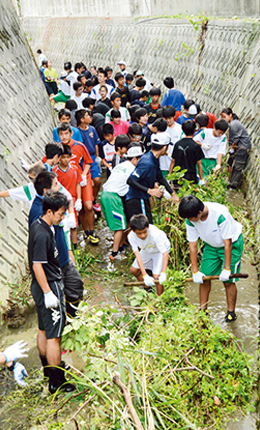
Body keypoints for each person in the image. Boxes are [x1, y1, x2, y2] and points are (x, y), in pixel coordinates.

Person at [28, 190, 76, 394]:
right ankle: (57, 381)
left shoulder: (41, 225)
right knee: (54, 336)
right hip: (48, 285)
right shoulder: (41, 233)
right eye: (60, 213)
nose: (62, 216)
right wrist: (49, 293)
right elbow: (37, 265)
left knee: (43, 329)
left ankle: (49, 370)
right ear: (49, 211)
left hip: (42, 285)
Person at [178, 195, 244, 322]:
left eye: (192, 218)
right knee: (204, 277)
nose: (190, 220)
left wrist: (226, 269)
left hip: (232, 244)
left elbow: (227, 244)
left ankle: (231, 312)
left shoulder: (220, 215)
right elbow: (193, 245)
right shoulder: (190, 219)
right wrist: (195, 271)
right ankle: (203, 310)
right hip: (211, 245)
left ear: (199, 212)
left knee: (228, 280)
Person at [29, 171, 83, 317]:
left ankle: (73, 318)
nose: (58, 187)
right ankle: (67, 320)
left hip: (63, 258)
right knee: (58, 299)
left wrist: (69, 251)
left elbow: (60, 231)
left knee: (76, 287)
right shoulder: (38, 213)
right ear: (46, 191)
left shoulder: (55, 207)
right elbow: (39, 247)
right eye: (55, 184)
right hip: (54, 264)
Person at [57, 122, 99, 244]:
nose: (64, 137)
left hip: (82, 179)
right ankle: (86, 232)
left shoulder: (79, 146)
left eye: (66, 133)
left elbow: (88, 161)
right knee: (77, 208)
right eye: (61, 134)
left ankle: (92, 231)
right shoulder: (58, 148)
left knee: (88, 206)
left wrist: (84, 174)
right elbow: (48, 161)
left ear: (71, 133)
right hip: (69, 181)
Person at [101, 145, 143, 260]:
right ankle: (115, 253)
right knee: (120, 226)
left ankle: (119, 246)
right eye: (139, 159)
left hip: (105, 194)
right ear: (134, 159)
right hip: (113, 197)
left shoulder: (120, 166)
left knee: (121, 223)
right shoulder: (132, 169)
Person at [125, 133, 179, 224]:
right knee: (146, 227)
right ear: (164, 147)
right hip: (137, 199)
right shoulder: (147, 163)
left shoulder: (154, 158)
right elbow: (130, 180)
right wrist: (149, 191)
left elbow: (160, 177)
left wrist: (172, 193)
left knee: (147, 226)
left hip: (142, 198)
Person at [128, 214, 170, 296]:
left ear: (148, 228)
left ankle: (160, 298)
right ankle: (148, 287)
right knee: (133, 270)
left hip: (159, 251)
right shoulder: (131, 236)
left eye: (144, 232)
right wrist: (145, 275)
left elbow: (165, 254)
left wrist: (163, 273)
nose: (143, 235)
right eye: (139, 233)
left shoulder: (155, 234)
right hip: (146, 249)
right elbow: (137, 255)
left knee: (156, 276)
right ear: (133, 231)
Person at [53, 145, 82, 249]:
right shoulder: (54, 171)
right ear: (59, 157)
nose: (66, 160)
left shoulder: (75, 169)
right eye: (63, 157)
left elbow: (78, 184)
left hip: (72, 200)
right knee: (62, 223)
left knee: (73, 224)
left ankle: (75, 247)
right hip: (60, 200)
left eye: (68, 157)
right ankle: (65, 246)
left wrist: (79, 199)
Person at [76, 109, 101, 213]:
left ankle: (93, 199)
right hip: (83, 160)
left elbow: (95, 143)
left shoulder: (92, 129)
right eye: (87, 116)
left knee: (97, 181)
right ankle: (85, 200)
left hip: (92, 158)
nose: (90, 117)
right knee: (85, 182)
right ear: (82, 119)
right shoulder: (77, 132)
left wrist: (97, 157)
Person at [220, 107, 251, 189]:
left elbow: (235, 139)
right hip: (240, 147)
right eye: (222, 117)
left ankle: (233, 185)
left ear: (230, 115)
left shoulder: (234, 124)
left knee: (237, 166)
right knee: (232, 164)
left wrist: (232, 149)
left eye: (224, 116)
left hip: (242, 147)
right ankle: (230, 182)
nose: (224, 119)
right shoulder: (234, 123)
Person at [169, 120, 204, 185]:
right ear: (194, 130)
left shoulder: (177, 144)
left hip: (178, 175)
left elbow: (173, 161)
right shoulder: (195, 146)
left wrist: (170, 174)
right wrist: (201, 178)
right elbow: (199, 164)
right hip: (191, 177)